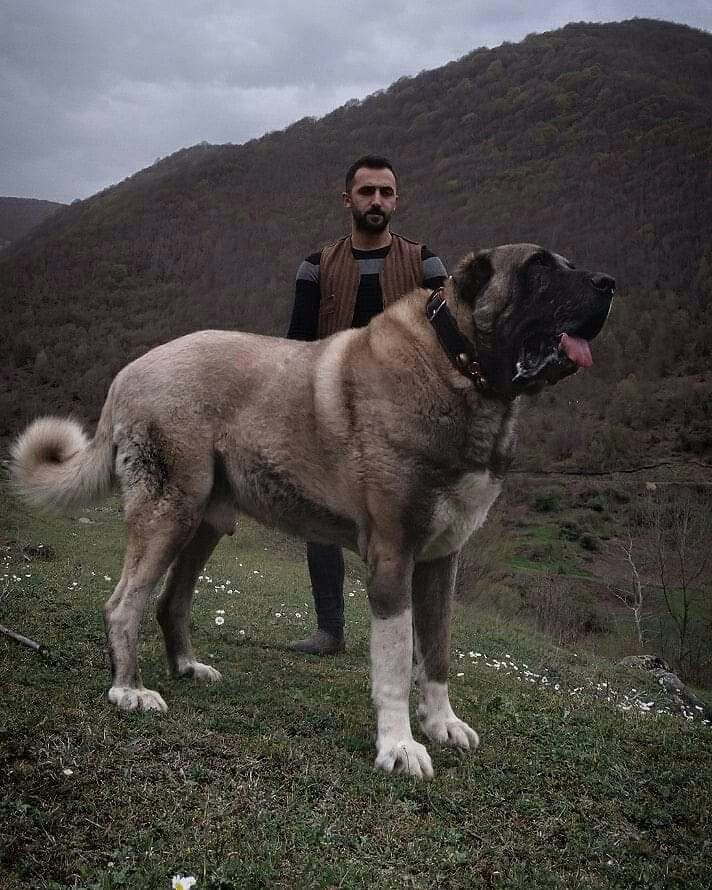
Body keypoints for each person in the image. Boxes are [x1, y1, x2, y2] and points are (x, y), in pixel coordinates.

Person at [286, 154, 447, 655]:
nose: (376, 201)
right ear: (348, 199)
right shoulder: (316, 266)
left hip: (408, 418)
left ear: (396, 200)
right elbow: (296, 345)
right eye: (366, 192)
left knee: (413, 523)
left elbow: (448, 343)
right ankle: (329, 629)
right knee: (323, 517)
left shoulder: (426, 264)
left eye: (386, 192)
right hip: (333, 409)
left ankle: (415, 639)